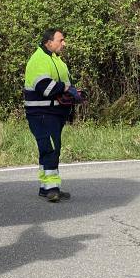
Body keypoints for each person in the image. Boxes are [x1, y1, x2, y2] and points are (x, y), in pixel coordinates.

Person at [23, 28, 83, 203]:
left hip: (54, 114)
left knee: (49, 149)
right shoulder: (39, 60)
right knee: (50, 149)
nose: (64, 43)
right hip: (41, 114)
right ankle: (52, 188)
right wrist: (65, 88)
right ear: (49, 42)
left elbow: (65, 85)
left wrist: (73, 93)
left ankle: (46, 187)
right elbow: (45, 87)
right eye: (61, 40)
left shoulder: (56, 60)